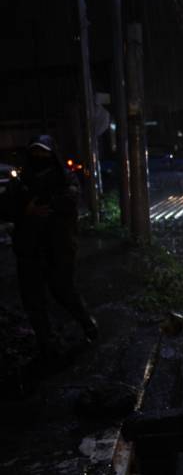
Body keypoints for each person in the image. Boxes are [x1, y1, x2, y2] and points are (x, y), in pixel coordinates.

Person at [9, 135, 98, 359]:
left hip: (58, 247)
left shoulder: (64, 177)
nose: (39, 156)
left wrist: (45, 205)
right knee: (33, 299)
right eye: (35, 152)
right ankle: (47, 344)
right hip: (28, 249)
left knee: (64, 290)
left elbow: (71, 199)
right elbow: (5, 205)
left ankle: (87, 325)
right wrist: (26, 209)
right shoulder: (22, 180)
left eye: (43, 152)